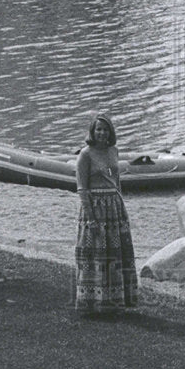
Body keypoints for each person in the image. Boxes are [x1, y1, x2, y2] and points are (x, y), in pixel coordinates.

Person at [74, 113, 138, 315]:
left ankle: (117, 302)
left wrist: (120, 202)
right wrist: (91, 218)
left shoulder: (114, 151)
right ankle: (94, 304)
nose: (102, 133)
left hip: (115, 208)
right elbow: (82, 188)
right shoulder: (86, 154)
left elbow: (116, 180)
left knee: (117, 254)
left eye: (105, 129)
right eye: (98, 129)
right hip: (95, 208)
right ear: (92, 132)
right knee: (97, 255)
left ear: (110, 132)